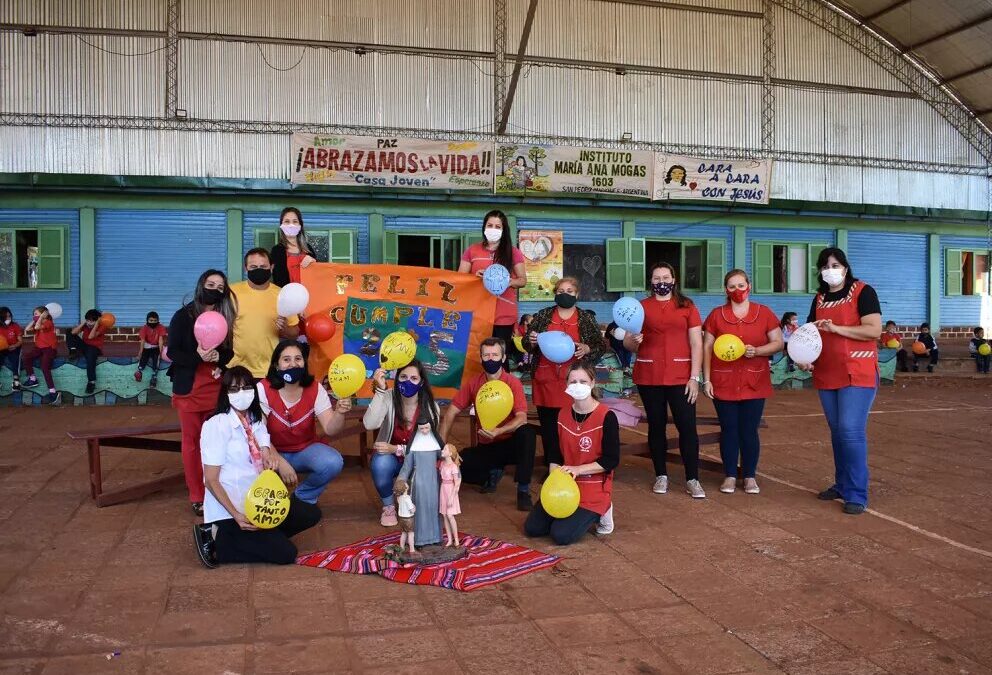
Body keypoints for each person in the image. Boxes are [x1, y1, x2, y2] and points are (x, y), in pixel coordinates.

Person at [192, 366, 320, 568]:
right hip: (232, 511)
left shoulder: (254, 419)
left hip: (259, 503)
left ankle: (261, 538)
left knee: (311, 514)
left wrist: (268, 456)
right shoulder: (217, 425)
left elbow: (263, 443)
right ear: (225, 393)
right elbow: (211, 480)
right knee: (286, 553)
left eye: (246, 387)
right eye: (234, 389)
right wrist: (237, 515)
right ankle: (217, 539)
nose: (241, 393)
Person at [801, 247, 881, 516]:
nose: (830, 270)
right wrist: (804, 358)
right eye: (825, 266)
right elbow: (809, 335)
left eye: (835, 265)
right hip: (827, 371)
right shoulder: (819, 299)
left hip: (857, 370)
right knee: (837, 431)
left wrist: (837, 329)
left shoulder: (863, 292)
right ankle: (843, 484)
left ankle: (857, 493)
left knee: (850, 429)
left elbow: (874, 330)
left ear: (845, 268)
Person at [623, 262, 705, 498]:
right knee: (656, 426)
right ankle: (661, 475)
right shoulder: (640, 307)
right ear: (651, 281)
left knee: (687, 427)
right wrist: (634, 341)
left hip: (681, 376)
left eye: (666, 277)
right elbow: (628, 344)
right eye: (657, 278)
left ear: (674, 279)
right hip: (650, 375)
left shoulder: (687, 306)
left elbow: (696, 343)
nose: (661, 282)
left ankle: (692, 479)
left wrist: (694, 377)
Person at [702, 270, 783, 495]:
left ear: (749, 286)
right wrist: (706, 380)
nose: (737, 290)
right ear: (725, 290)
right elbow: (707, 347)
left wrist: (758, 351)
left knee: (749, 431)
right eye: (732, 286)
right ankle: (729, 475)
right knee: (729, 430)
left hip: (754, 381)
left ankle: (749, 476)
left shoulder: (764, 313)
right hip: (723, 381)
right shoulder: (717, 315)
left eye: (741, 285)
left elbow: (778, 342)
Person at [524, 362, 619, 544]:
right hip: (565, 484)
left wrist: (577, 469)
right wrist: (554, 482)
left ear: (592, 383)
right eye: (573, 381)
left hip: (592, 486)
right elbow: (554, 454)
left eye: (583, 381)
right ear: (566, 384)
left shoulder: (606, 417)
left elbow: (611, 460)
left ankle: (604, 509)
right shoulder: (561, 415)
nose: (578, 385)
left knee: (561, 535)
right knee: (533, 528)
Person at [168, 269, 238, 516]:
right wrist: (197, 356)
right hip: (189, 388)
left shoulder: (224, 316)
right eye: (211, 284)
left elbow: (229, 352)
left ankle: (217, 490)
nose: (215, 290)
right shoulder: (183, 316)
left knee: (217, 441)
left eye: (220, 287)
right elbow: (172, 352)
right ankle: (197, 495)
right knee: (192, 443)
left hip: (215, 386)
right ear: (201, 285)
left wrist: (219, 357)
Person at [439, 338, 536, 511]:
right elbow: (451, 413)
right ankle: (492, 473)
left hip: (510, 444)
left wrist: (499, 431)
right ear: (481, 358)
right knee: (455, 467)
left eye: (495, 355)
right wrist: (440, 450)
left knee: (527, 433)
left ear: (503, 358)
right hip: (487, 446)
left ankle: (523, 491)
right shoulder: (474, 383)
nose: (491, 359)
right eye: (486, 355)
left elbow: (522, 418)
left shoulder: (512, 383)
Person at [257, 340, 348, 504]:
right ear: (276, 365)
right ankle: (270, 502)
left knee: (333, 462)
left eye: (298, 359)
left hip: (304, 451)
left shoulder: (315, 388)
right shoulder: (263, 388)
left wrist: (340, 413)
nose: (293, 364)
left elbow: (330, 429)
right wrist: (280, 462)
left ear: (304, 363)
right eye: (286, 359)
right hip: (270, 452)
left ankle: (302, 497)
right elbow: (258, 432)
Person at [526, 277, 603, 468]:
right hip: (546, 381)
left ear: (577, 294)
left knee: (574, 426)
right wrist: (532, 341)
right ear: (555, 294)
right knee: (549, 429)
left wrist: (587, 348)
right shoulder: (543, 315)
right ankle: (552, 468)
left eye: (569, 291)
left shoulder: (586, 318)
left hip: (576, 383)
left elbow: (600, 346)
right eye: (560, 291)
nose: (564, 295)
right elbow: (527, 343)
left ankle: (575, 467)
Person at [363, 360, 441, 526]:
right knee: (380, 463)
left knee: (420, 509)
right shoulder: (388, 397)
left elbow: (430, 449)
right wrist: (380, 391)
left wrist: (395, 448)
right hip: (390, 460)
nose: (408, 382)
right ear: (397, 378)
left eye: (414, 378)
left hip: (417, 461)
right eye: (403, 377)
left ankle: (413, 498)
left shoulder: (431, 407)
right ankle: (388, 507)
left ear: (421, 382)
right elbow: (369, 424)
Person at [457, 210, 527, 344]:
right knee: (477, 353)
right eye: (490, 225)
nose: (493, 229)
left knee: (499, 352)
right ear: (484, 227)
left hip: (504, 315)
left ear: (503, 230)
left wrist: (508, 282)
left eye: (497, 226)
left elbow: (523, 280)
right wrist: (474, 277)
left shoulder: (513, 252)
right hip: (478, 313)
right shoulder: (472, 250)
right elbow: (460, 279)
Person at [229, 248, 300, 379]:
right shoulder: (231, 293)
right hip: (237, 369)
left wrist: (284, 328)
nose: (258, 270)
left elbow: (295, 333)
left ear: (271, 268)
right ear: (246, 268)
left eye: (263, 266)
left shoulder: (282, 295)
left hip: (271, 370)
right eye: (253, 267)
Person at [269, 207, 317, 287]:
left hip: (308, 293)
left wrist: (314, 262)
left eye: (295, 221)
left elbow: (317, 275)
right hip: (286, 293)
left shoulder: (308, 249)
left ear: (300, 225)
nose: (291, 225)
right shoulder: (276, 251)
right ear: (281, 225)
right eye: (287, 221)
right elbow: (276, 278)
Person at [21, 306, 59, 404]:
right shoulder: (38, 322)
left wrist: (41, 317)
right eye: (34, 314)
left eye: (36, 314)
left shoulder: (48, 322)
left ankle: (53, 392)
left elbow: (37, 327)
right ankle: (32, 379)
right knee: (26, 357)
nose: (34, 316)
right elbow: (27, 329)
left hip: (49, 349)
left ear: (44, 314)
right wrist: (34, 320)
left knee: (45, 367)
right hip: (39, 348)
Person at [67, 309, 107, 394]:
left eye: (91, 321)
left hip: (95, 348)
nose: (89, 323)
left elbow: (90, 337)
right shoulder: (86, 325)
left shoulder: (102, 326)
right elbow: (73, 333)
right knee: (69, 331)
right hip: (85, 346)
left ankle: (91, 382)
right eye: (88, 320)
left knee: (90, 360)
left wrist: (96, 324)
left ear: (97, 321)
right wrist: (83, 323)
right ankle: (73, 351)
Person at [135, 311, 167, 387]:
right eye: (151, 320)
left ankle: (154, 377)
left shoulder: (161, 327)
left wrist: (161, 352)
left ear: (158, 320)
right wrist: (140, 352)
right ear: (147, 320)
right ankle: (139, 371)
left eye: (155, 320)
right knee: (143, 358)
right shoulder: (144, 328)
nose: (153, 322)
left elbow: (160, 340)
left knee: (156, 360)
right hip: (146, 347)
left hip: (156, 347)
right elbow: (142, 341)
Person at [0, 307, 23, 392]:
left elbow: (20, 341)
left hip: (14, 347)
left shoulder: (15, 326)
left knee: (14, 359)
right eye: (6, 317)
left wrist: (14, 345)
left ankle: (16, 381)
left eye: (9, 316)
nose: (8, 318)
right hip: (2, 348)